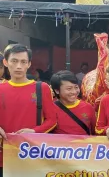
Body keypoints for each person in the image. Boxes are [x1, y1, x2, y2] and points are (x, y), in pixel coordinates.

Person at [0, 44, 57, 176]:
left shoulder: (42, 88)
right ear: (5, 62)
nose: (19, 66)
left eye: (23, 62)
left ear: (29, 64)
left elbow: (52, 120)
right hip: (3, 155)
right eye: (14, 61)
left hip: (31, 155)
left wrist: (34, 131)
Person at [50, 70, 96, 135]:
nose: (74, 92)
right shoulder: (50, 108)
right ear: (57, 90)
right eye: (69, 89)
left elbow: (95, 132)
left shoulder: (88, 107)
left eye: (76, 87)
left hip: (82, 145)